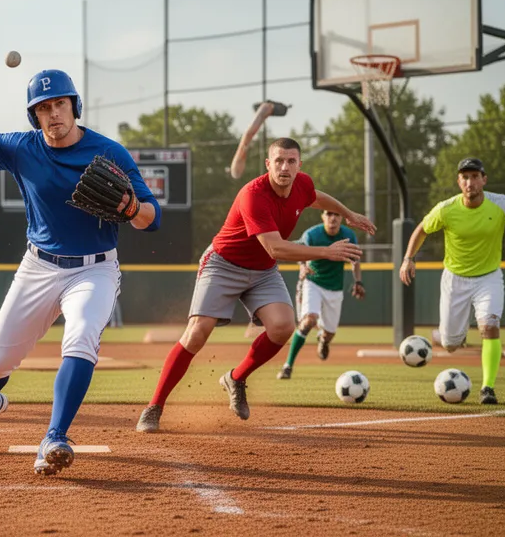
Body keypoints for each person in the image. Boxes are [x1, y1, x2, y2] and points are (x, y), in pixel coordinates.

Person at [0, 69, 161, 475]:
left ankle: (55, 436)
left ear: (74, 106)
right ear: (34, 116)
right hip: (39, 266)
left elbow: (152, 218)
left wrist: (131, 210)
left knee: (83, 336)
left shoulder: (110, 153)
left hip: (95, 270)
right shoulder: (23, 148)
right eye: (43, 108)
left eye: (60, 104)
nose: (53, 114)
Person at [136, 138, 375, 433]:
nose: (285, 167)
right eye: (279, 161)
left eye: (291, 161)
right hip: (223, 263)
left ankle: (236, 378)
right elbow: (276, 249)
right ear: (268, 164)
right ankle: (154, 407)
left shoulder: (302, 184)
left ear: (300, 165)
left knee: (284, 326)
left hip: (261, 270)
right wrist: (327, 252)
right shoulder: (254, 194)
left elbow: (317, 197)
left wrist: (350, 214)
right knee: (198, 331)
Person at [400, 157, 505, 405]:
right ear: (458, 182)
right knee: (451, 344)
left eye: (475, 176)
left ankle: (488, 387)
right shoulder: (446, 208)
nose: (470, 182)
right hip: (455, 280)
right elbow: (422, 229)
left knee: (489, 327)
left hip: (488, 278)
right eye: (465, 177)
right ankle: (447, 334)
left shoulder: (501, 205)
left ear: (484, 180)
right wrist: (407, 258)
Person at [276, 210, 365, 379]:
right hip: (313, 282)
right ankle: (288, 366)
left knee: (330, 333)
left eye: (337, 215)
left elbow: (355, 261)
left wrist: (358, 281)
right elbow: (297, 250)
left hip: (335, 288)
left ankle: (323, 340)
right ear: (322, 217)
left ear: (341, 219)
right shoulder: (312, 234)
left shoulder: (348, 236)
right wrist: (302, 266)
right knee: (309, 319)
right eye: (328, 214)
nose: (333, 217)